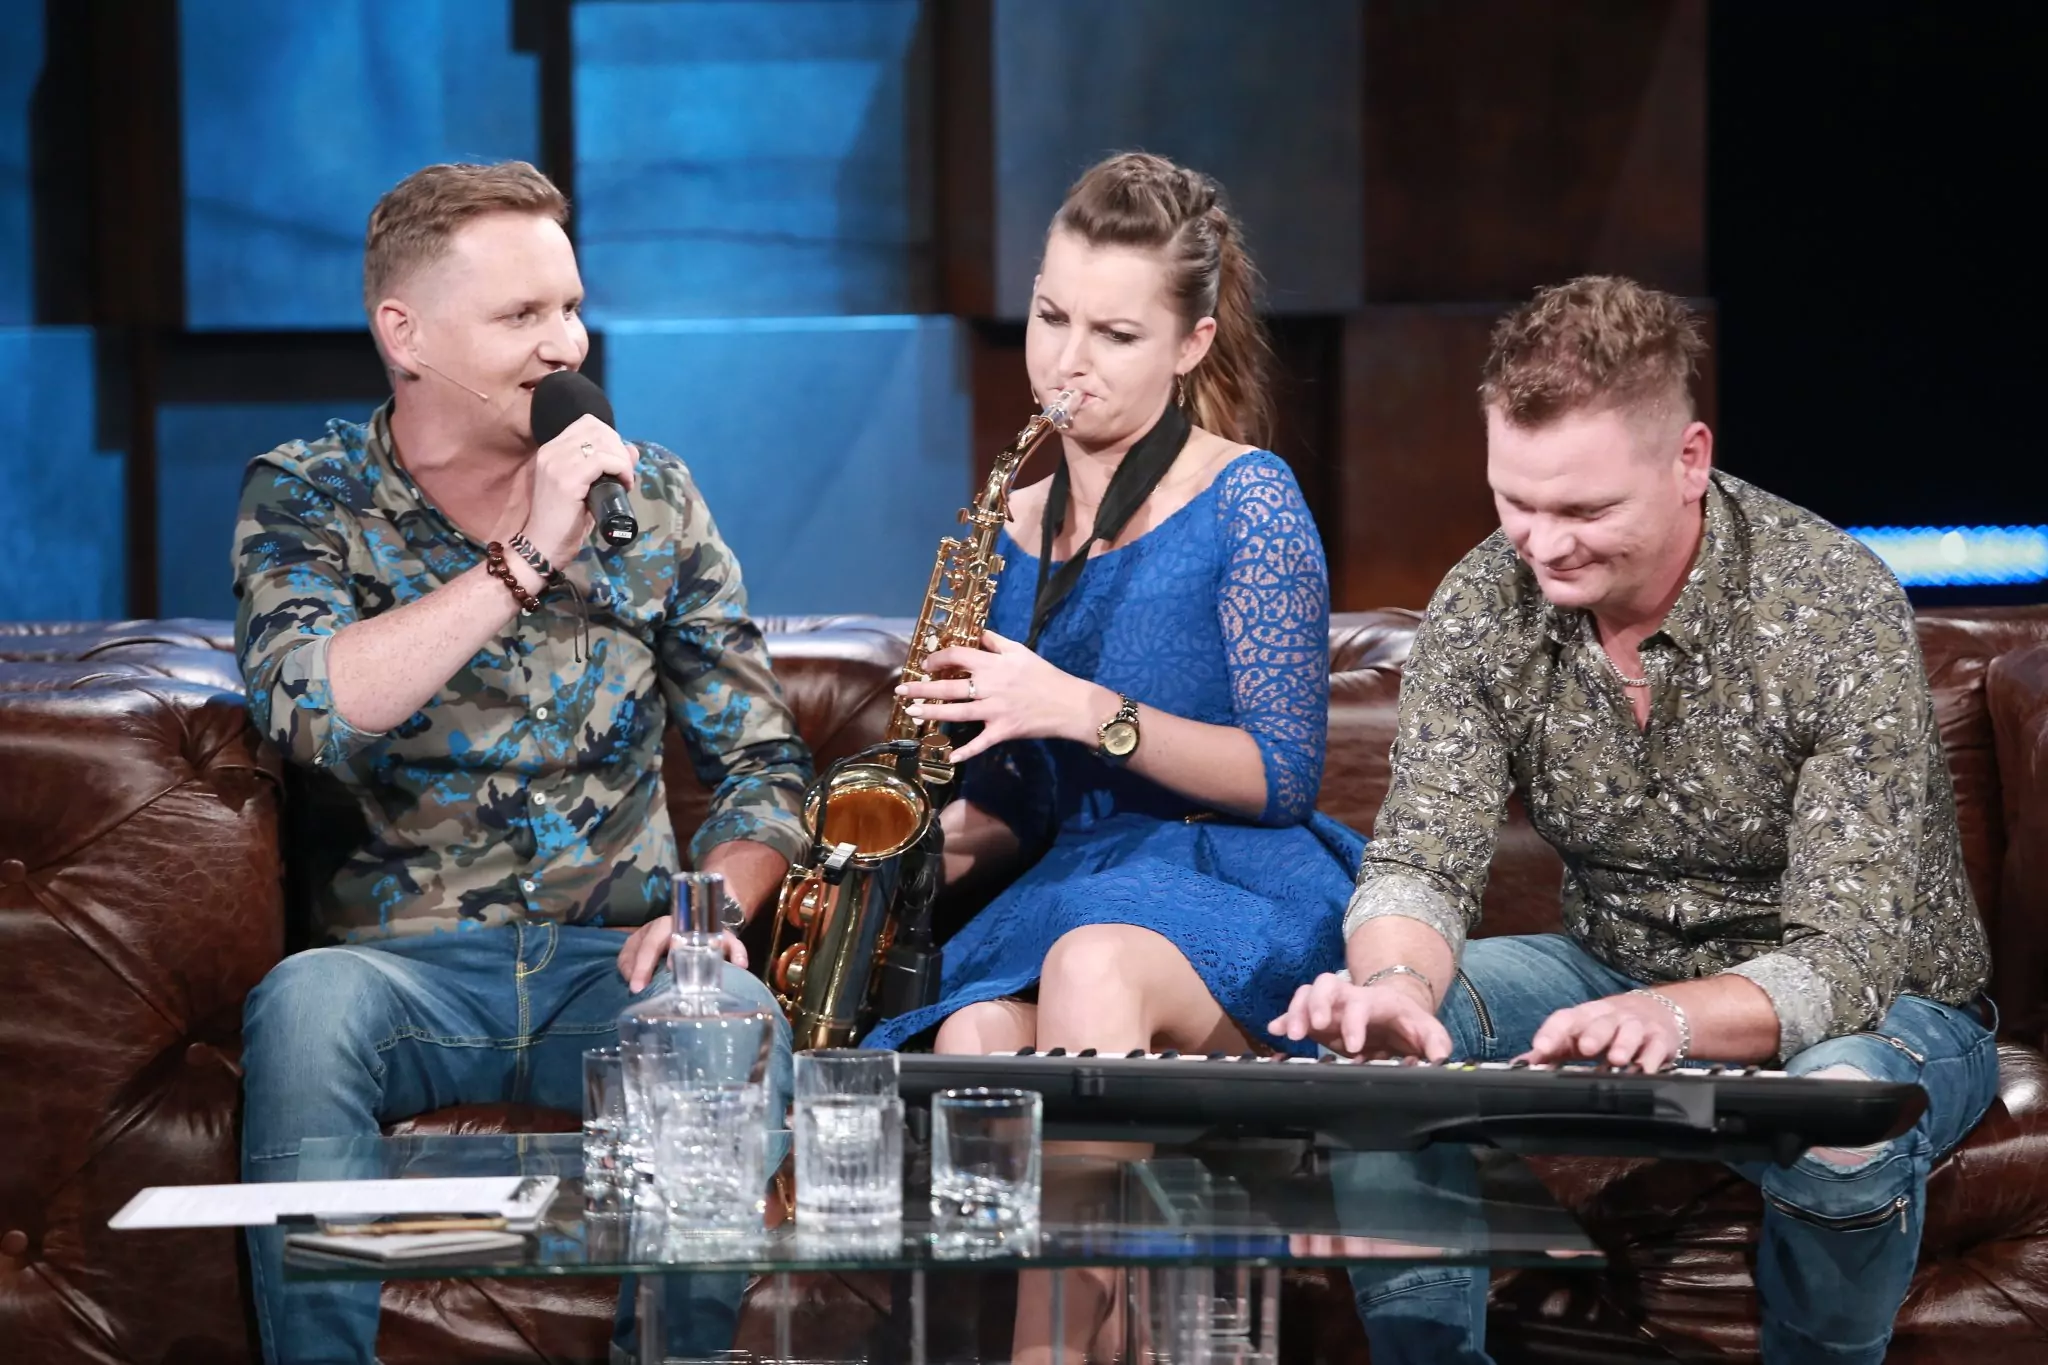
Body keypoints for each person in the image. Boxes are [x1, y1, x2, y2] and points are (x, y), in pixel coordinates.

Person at [1271, 276, 1997, 1365]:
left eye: (1584, 511)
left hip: (1888, 1003)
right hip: (1611, 964)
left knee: (1840, 1113)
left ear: (1688, 460)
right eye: (1514, 500)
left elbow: (1845, 960)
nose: (1541, 543)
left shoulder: (1831, 605)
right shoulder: (1483, 601)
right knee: (1378, 1066)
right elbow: (1420, 859)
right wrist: (1394, 990)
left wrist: (1672, 1018)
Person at [231, 161, 808, 1365]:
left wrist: (709, 914)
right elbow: (311, 709)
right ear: (405, 334)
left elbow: (764, 765)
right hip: (401, 980)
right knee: (304, 1008)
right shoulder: (310, 495)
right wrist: (525, 557)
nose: (566, 345)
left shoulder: (652, 499)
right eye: (520, 316)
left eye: (571, 307)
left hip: (616, 967)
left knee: (731, 1017)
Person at [863, 150, 1361, 1063]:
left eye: (1116, 335)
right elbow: (1019, 805)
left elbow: (1282, 776)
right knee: (971, 1034)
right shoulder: (1003, 528)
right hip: (1076, 883)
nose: (1068, 362)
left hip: (1231, 880)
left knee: (1090, 968)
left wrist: (1082, 709)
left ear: (1191, 345)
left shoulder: (1250, 497)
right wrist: (882, 861)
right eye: (1051, 317)